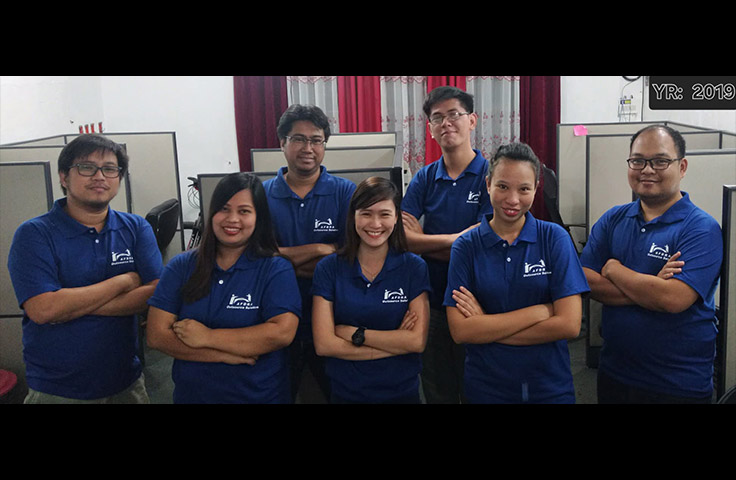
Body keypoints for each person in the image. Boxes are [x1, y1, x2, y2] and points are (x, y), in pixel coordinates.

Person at [7, 133, 162, 404]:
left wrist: (70, 306)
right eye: (86, 167)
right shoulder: (34, 234)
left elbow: (155, 292)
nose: (99, 176)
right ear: (63, 177)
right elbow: (43, 310)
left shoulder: (136, 228)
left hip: (125, 379)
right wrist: (123, 282)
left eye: (110, 169)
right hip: (58, 387)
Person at [580, 125, 723, 404]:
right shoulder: (613, 219)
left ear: (682, 167)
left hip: (677, 383)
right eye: (638, 161)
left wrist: (614, 270)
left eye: (660, 161)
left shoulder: (701, 228)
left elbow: (673, 299)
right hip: (615, 373)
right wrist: (652, 285)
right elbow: (584, 279)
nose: (647, 170)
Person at [444, 143, 589, 404]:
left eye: (524, 189)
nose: (512, 199)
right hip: (487, 388)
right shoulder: (466, 246)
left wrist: (487, 326)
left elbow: (569, 324)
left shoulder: (554, 238)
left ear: (536, 188)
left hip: (549, 388)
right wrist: (539, 312)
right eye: (502, 186)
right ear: (488, 184)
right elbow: (461, 331)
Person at [146, 173, 300, 403]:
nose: (232, 219)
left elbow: (281, 333)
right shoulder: (181, 266)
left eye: (244, 211)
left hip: (258, 396)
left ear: (259, 217)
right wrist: (221, 355)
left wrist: (208, 336)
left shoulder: (275, 269)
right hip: (194, 396)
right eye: (224, 209)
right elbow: (156, 336)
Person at [401, 86, 492, 403]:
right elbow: (402, 238)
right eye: (438, 118)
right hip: (433, 298)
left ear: (472, 121)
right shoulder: (424, 178)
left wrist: (423, 243)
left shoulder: (491, 176)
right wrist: (460, 240)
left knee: (478, 387)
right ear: (430, 129)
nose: (446, 123)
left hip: (478, 300)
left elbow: (485, 241)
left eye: (454, 114)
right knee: (437, 389)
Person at [262, 104, 357, 403]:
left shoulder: (345, 192)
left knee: (335, 394)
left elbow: (350, 257)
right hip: (274, 314)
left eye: (316, 140)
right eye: (299, 139)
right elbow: (257, 258)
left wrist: (281, 260)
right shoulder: (260, 195)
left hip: (333, 314)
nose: (308, 148)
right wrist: (319, 249)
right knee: (279, 393)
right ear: (282, 143)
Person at [311, 177, 430, 403]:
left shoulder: (413, 267)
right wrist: (395, 345)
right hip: (346, 393)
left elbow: (416, 342)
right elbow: (324, 345)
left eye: (384, 214)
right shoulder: (328, 268)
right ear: (353, 216)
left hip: (401, 393)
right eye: (366, 213)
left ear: (396, 218)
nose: (375, 224)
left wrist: (356, 334)